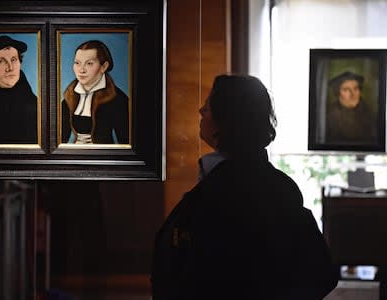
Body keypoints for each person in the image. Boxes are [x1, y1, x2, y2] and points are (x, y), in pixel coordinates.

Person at [151, 74, 339, 300]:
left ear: (227, 119)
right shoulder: (279, 185)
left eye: (209, 106)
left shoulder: (222, 189)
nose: (201, 111)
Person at [61, 40, 129, 144]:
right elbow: (60, 139)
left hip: (104, 157)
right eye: (77, 63)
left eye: (89, 63)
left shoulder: (117, 99)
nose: (81, 70)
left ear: (104, 67)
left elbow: (126, 143)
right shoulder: (70, 95)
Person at [325, 71, 376, 144]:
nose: (352, 94)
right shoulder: (330, 114)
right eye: (346, 90)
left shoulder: (367, 112)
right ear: (337, 93)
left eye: (356, 89)